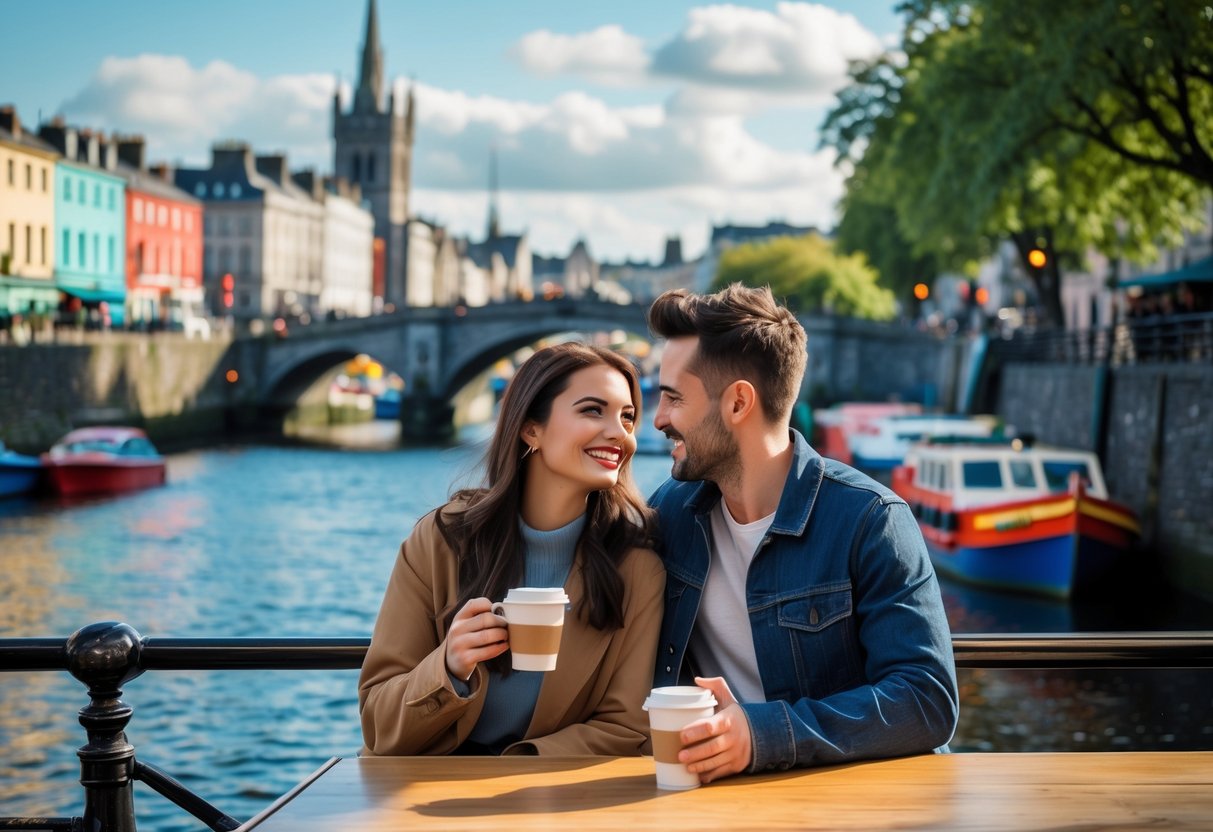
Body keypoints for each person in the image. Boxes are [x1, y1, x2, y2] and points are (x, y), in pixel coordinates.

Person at [646, 283, 958, 783]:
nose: (658, 418)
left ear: (737, 403)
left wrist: (763, 734)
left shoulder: (871, 520)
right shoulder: (670, 514)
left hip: (863, 806)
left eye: (673, 398)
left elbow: (926, 700)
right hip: (718, 801)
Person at [359, 342, 665, 756]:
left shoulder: (636, 568)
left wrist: (516, 770)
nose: (621, 434)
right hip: (425, 792)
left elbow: (626, 727)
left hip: (549, 800)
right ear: (530, 428)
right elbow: (377, 724)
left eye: (627, 417)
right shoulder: (440, 540)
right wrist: (448, 667)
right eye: (593, 410)